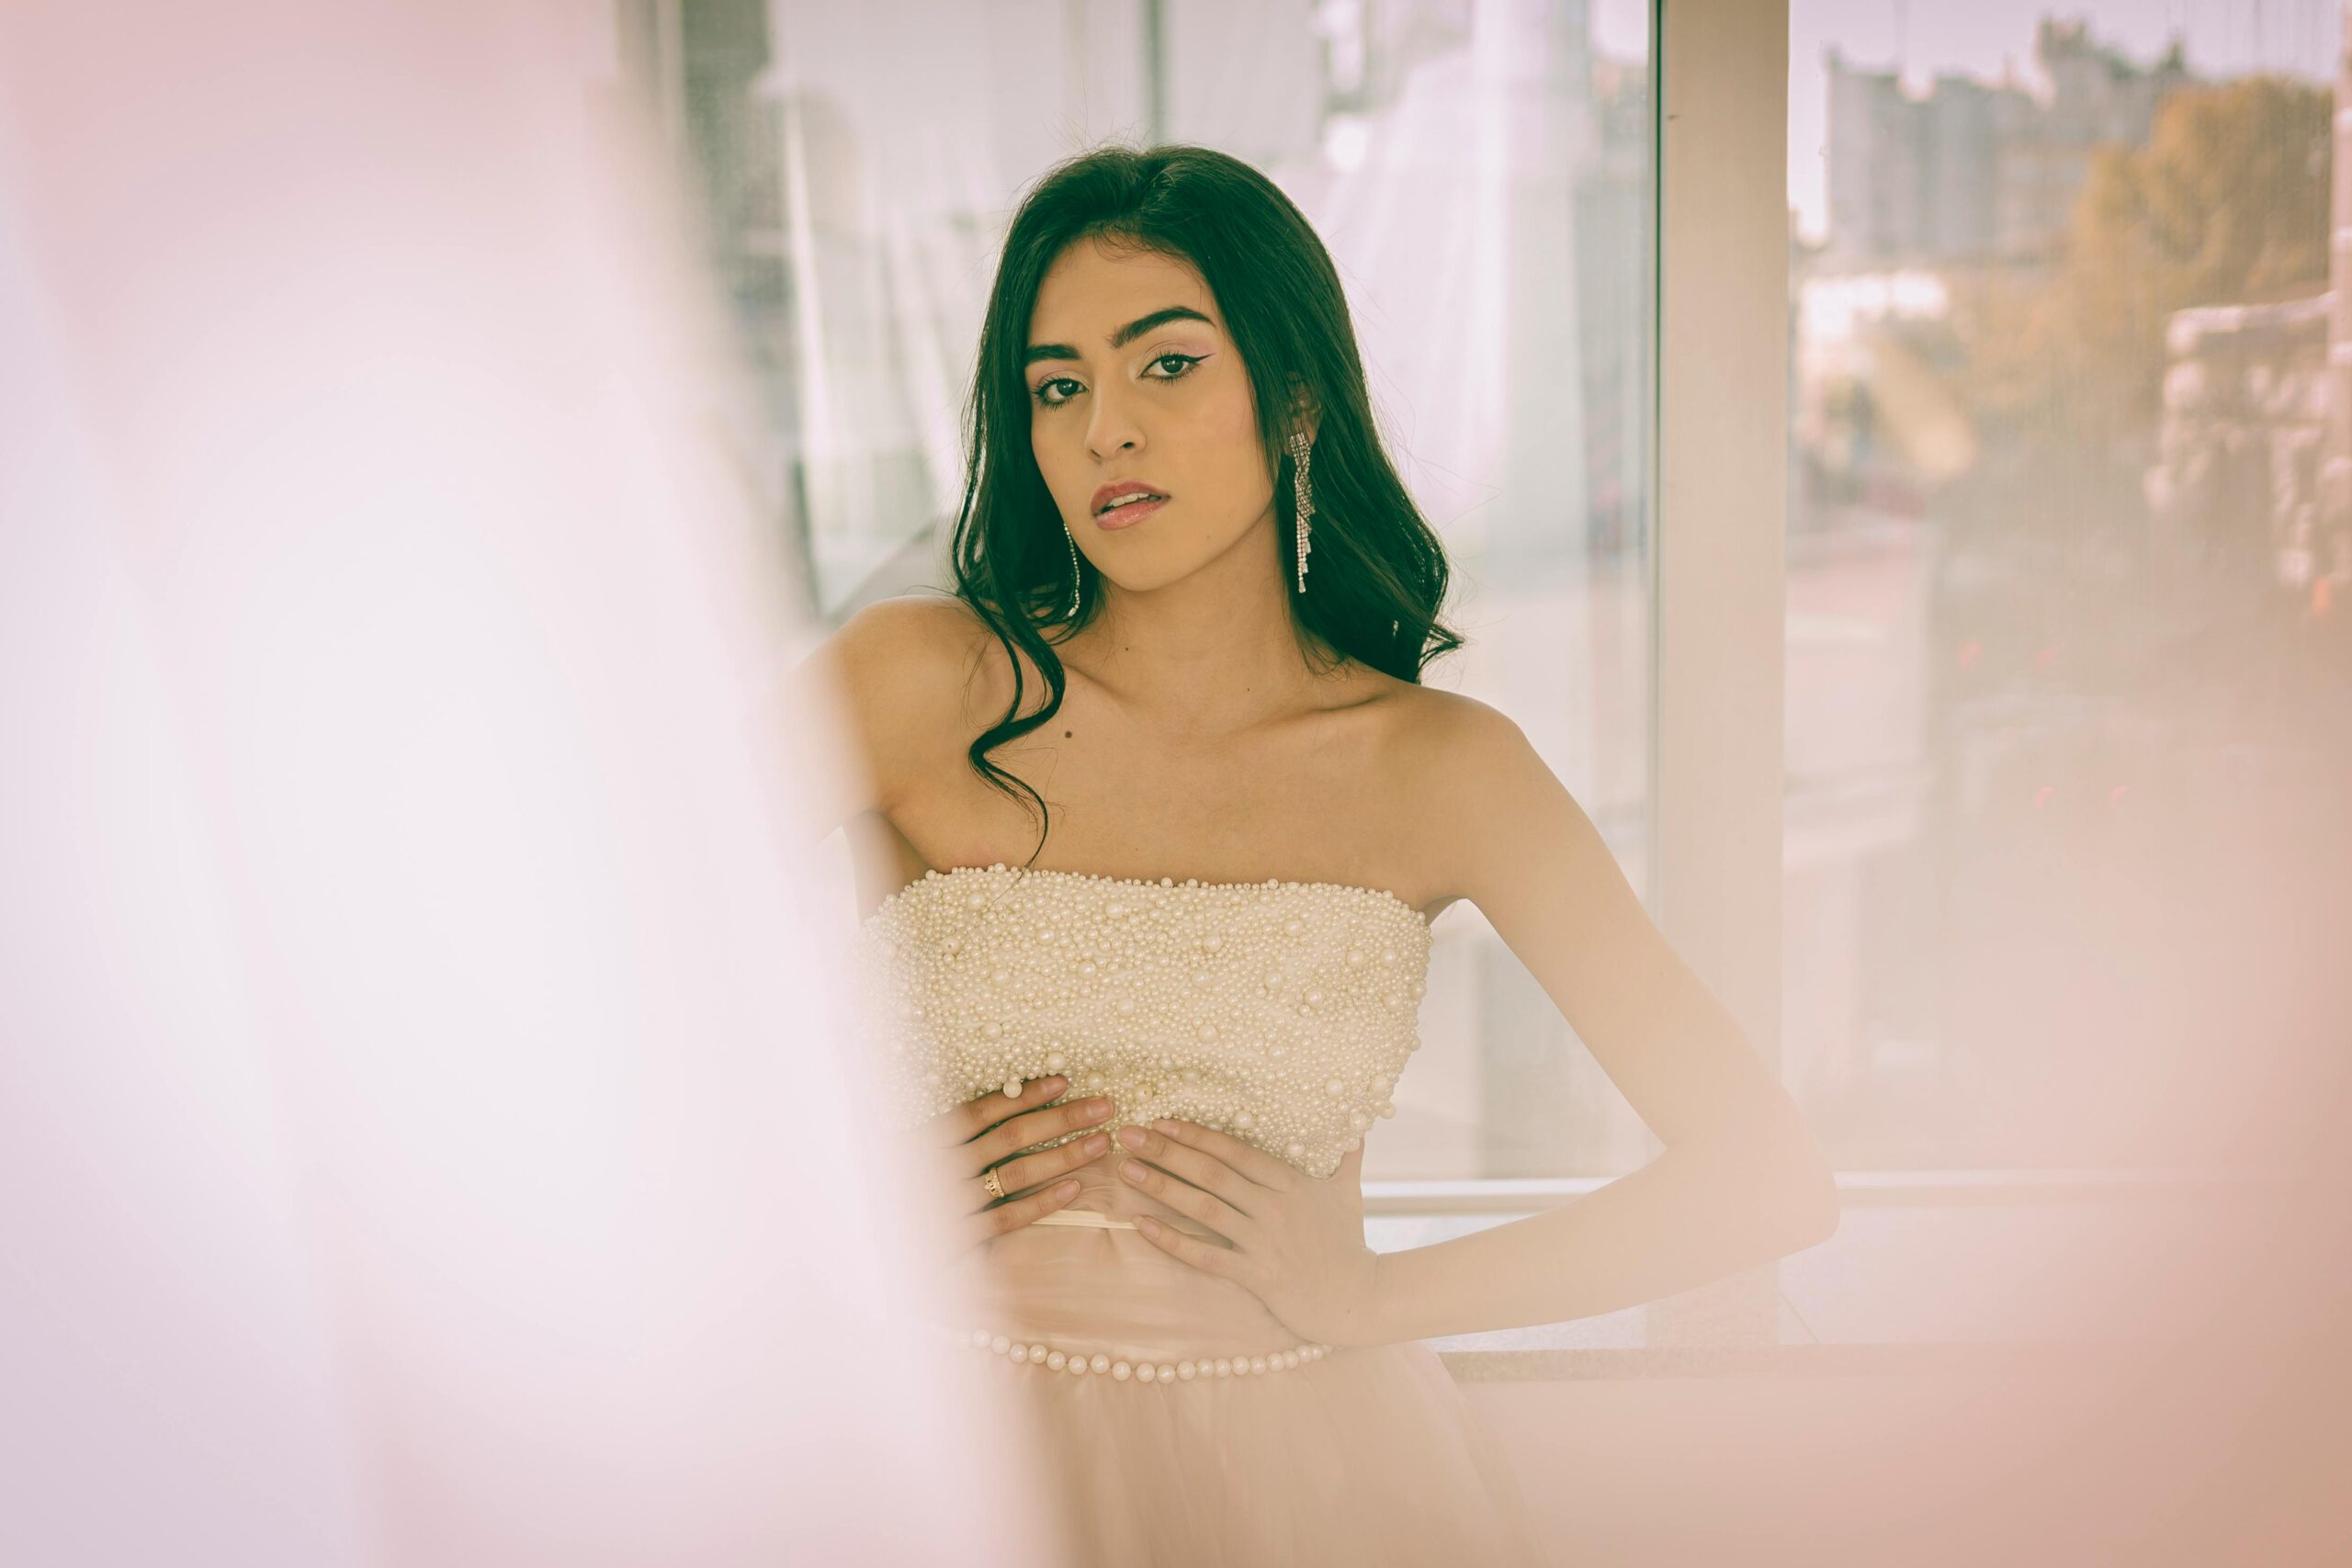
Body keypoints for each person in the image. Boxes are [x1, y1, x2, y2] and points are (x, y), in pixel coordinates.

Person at [798, 142, 1842, 1566]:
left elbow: (1765, 1176)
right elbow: (560, 950)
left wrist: (1369, 1295)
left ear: (1293, 397)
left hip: (1312, 1484)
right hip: (929, 1472)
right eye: (1057, 387)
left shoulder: (1443, 770)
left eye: (1166, 367)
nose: (1106, 428)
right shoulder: (920, 686)